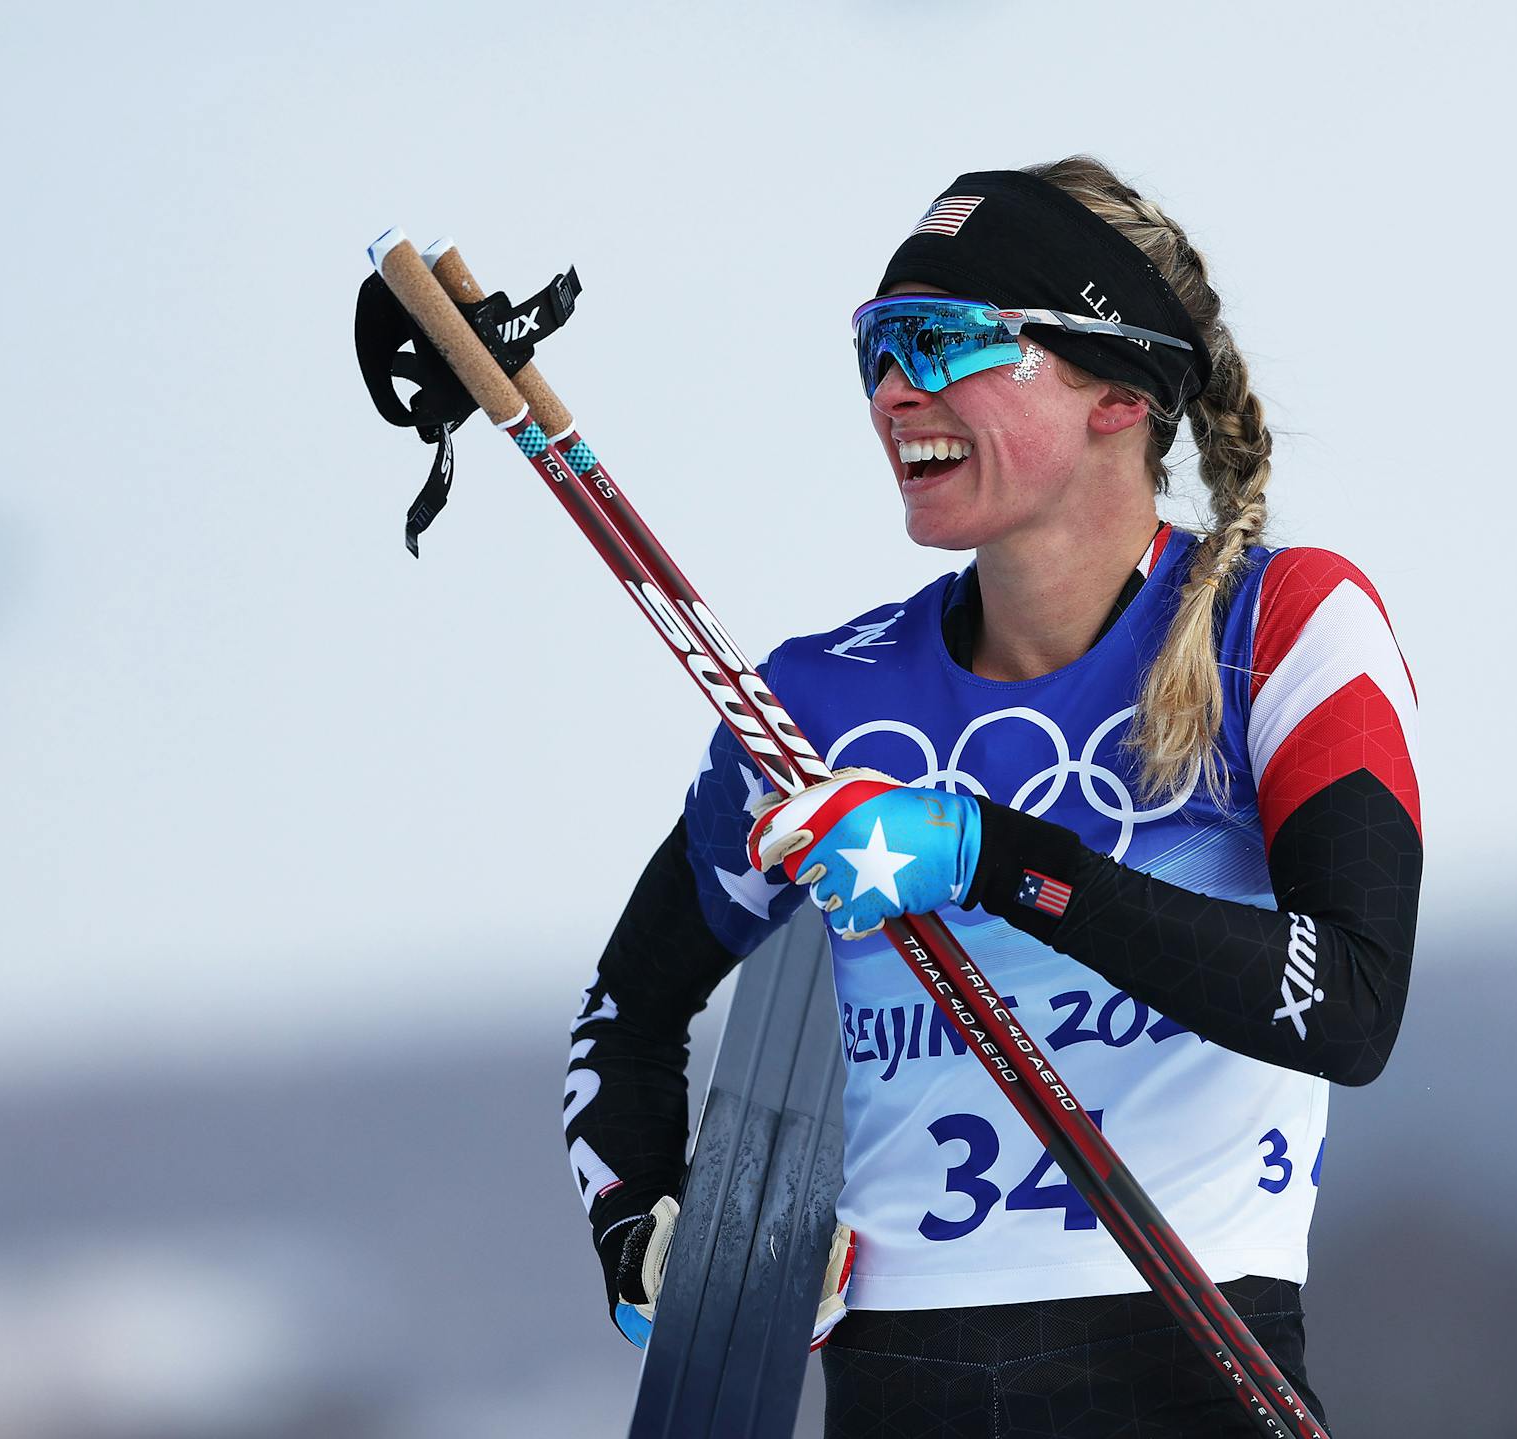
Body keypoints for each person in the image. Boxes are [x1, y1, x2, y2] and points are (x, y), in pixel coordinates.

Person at [565, 157, 1423, 1437]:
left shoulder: (1284, 628)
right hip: (905, 1386)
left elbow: (1346, 1003)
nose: (894, 391)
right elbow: (627, 1010)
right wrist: (645, 1221)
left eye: (942, 342)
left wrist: (990, 853)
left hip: (1190, 1362)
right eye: (874, 351)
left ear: (1118, 391)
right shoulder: (820, 701)